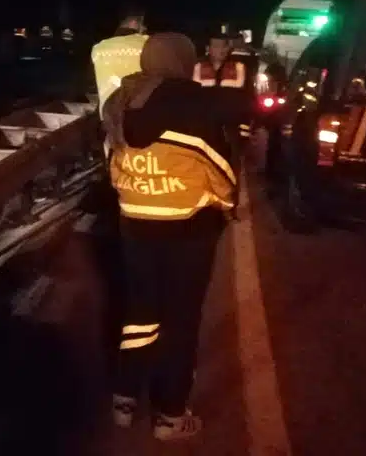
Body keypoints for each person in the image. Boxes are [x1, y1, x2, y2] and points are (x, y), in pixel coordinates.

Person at [101, 33, 239, 441]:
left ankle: (125, 399)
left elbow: (111, 158)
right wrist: (227, 204)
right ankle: (170, 416)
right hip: (188, 226)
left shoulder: (119, 99)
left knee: (140, 311)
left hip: (135, 220)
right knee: (181, 318)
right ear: (183, 60)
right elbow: (219, 166)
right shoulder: (194, 101)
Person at [193, 32, 253, 211]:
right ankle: (207, 207)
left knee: (231, 170)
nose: (220, 50)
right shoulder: (197, 67)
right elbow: (189, 98)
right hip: (204, 130)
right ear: (208, 48)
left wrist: (245, 129)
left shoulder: (240, 68)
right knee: (205, 169)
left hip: (231, 130)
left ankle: (230, 207)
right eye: (216, 46)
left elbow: (248, 100)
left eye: (224, 46)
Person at [91, 8, 149, 117]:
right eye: (142, 24)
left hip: (107, 118)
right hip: (136, 117)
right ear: (133, 22)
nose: (144, 28)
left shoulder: (98, 48)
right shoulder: (148, 44)